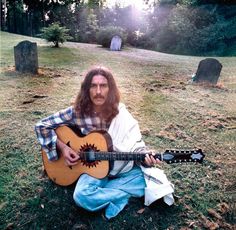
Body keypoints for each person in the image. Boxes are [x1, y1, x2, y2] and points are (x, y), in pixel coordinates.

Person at [35, 66, 174, 219]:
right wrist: (63, 148)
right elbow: (41, 126)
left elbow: (135, 144)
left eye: (103, 86)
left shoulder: (120, 113)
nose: (98, 91)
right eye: (93, 86)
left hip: (122, 167)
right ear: (86, 89)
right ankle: (122, 190)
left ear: (111, 89)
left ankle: (108, 192)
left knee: (148, 180)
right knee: (81, 196)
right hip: (93, 170)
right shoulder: (77, 112)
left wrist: (146, 157)